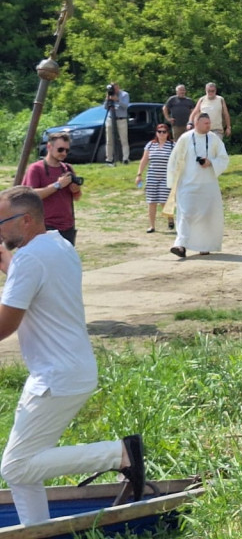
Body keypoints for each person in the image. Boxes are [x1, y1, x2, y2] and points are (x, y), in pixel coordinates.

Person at [0, 187, 146, 527]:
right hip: (67, 371)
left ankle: (118, 454)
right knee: (25, 465)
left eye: (1, 222)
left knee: (15, 466)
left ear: (25, 220)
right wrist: (6, 259)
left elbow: (5, 324)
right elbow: (27, 278)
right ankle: (36, 532)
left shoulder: (30, 258)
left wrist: (12, 262)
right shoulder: (58, 245)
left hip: (55, 377)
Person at [166, 113, 229, 258]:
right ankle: (180, 245)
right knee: (186, 214)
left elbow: (223, 158)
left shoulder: (213, 139)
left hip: (208, 185)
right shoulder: (185, 138)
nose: (209, 125)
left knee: (206, 216)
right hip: (187, 184)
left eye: (209, 123)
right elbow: (175, 159)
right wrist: (173, 180)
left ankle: (204, 245)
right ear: (197, 123)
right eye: (205, 123)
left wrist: (211, 162)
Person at [21, 133, 82, 246]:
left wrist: (76, 190)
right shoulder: (36, 169)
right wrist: (57, 185)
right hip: (44, 227)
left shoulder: (68, 168)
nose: (64, 153)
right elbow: (30, 196)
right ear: (49, 147)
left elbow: (77, 197)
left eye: (67, 150)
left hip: (67, 227)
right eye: (60, 149)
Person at [136, 125, 174, 233]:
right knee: (151, 201)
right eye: (159, 131)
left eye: (164, 132)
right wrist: (139, 174)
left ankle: (170, 218)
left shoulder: (172, 145)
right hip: (152, 176)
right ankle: (152, 226)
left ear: (168, 133)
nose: (161, 134)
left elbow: (177, 161)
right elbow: (144, 160)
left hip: (166, 177)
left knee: (164, 201)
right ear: (156, 133)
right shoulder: (151, 145)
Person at [103, 82, 130, 165]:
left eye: (115, 88)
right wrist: (107, 99)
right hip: (111, 119)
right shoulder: (109, 94)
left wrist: (117, 100)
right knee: (109, 140)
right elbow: (105, 107)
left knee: (124, 140)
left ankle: (125, 158)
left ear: (118, 87)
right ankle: (109, 158)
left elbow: (126, 106)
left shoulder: (124, 94)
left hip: (121, 119)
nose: (114, 90)